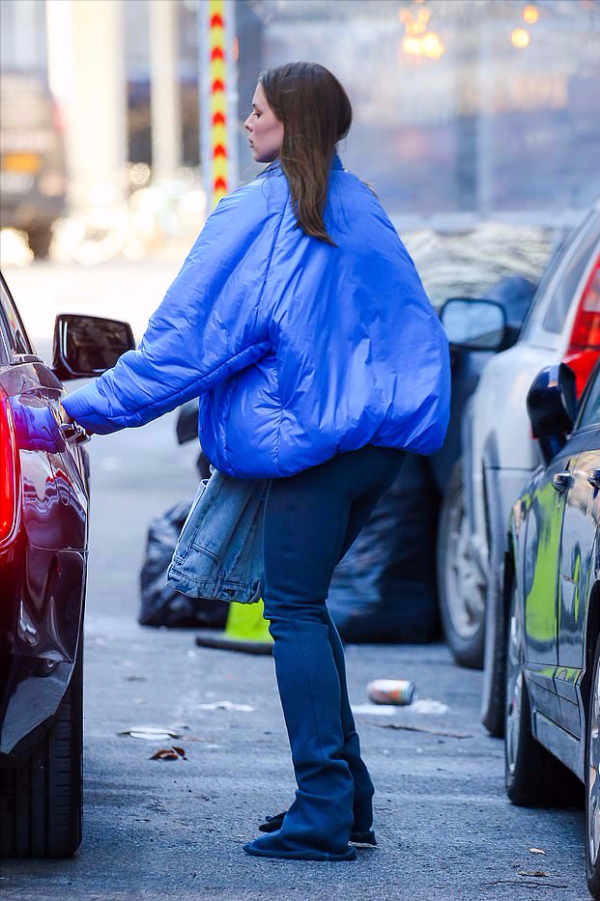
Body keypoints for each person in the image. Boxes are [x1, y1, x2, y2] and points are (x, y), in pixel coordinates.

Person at [62, 61, 451, 862]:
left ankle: (322, 814)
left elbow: (187, 347)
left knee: (295, 612)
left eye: (258, 112)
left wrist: (81, 408)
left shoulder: (260, 214)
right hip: (377, 446)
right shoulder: (361, 205)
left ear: (291, 124)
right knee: (308, 605)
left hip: (312, 442)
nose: (247, 124)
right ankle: (347, 801)